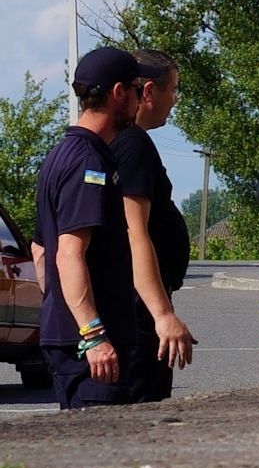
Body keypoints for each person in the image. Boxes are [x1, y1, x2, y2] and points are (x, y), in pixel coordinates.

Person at [32, 48, 147, 409]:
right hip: (91, 349)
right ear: (118, 93)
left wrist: (61, 313)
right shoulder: (88, 163)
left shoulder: (62, 154)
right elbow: (68, 255)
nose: (141, 99)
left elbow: (40, 250)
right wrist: (93, 334)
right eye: (136, 89)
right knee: (102, 438)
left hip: (72, 338)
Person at [110, 49, 195, 401]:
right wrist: (161, 315)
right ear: (148, 92)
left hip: (133, 307)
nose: (174, 101)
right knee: (142, 411)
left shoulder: (123, 141)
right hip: (138, 315)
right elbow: (134, 232)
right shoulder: (134, 144)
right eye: (172, 90)